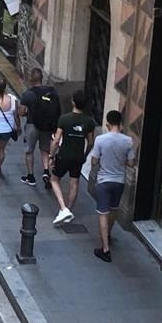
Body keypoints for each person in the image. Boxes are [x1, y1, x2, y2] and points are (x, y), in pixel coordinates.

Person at [88, 109, 135, 262]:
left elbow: (94, 160)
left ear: (108, 123)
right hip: (119, 181)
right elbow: (131, 163)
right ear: (121, 124)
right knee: (114, 210)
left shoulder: (101, 140)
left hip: (104, 181)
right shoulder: (128, 141)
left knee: (103, 213)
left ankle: (105, 249)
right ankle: (108, 233)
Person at [49, 89, 95, 224]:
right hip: (78, 156)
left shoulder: (64, 119)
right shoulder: (89, 122)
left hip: (64, 155)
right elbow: (91, 142)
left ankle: (63, 209)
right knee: (74, 182)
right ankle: (69, 209)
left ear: (73, 102)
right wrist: (85, 154)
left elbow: (56, 140)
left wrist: (51, 155)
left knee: (54, 179)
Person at [18, 67, 61, 187]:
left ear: (31, 79)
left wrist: (27, 111)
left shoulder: (28, 94)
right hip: (47, 126)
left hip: (32, 125)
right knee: (45, 150)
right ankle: (46, 171)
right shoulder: (52, 92)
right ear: (42, 78)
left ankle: (30, 176)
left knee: (29, 150)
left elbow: (21, 112)